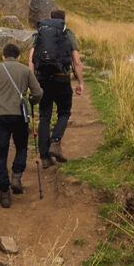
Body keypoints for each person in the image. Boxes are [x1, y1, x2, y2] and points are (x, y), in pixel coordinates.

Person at [0, 42, 43, 208]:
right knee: (21, 147)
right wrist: (31, 100)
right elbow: (38, 93)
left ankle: (4, 192)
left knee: (1, 153)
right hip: (20, 117)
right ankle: (16, 176)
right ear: (19, 57)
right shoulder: (25, 71)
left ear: (3, 56)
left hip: (0, 117)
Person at [28, 9, 84, 168]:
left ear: (50, 18)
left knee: (44, 115)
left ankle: (45, 158)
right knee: (64, 112)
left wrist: (33, 82)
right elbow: (77, 61)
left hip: (42, 79)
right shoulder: (68, 33)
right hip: (61, 78)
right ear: (63, 20)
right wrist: (80, 82)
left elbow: (31, 59)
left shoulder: (41, 32)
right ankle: (55, 142)